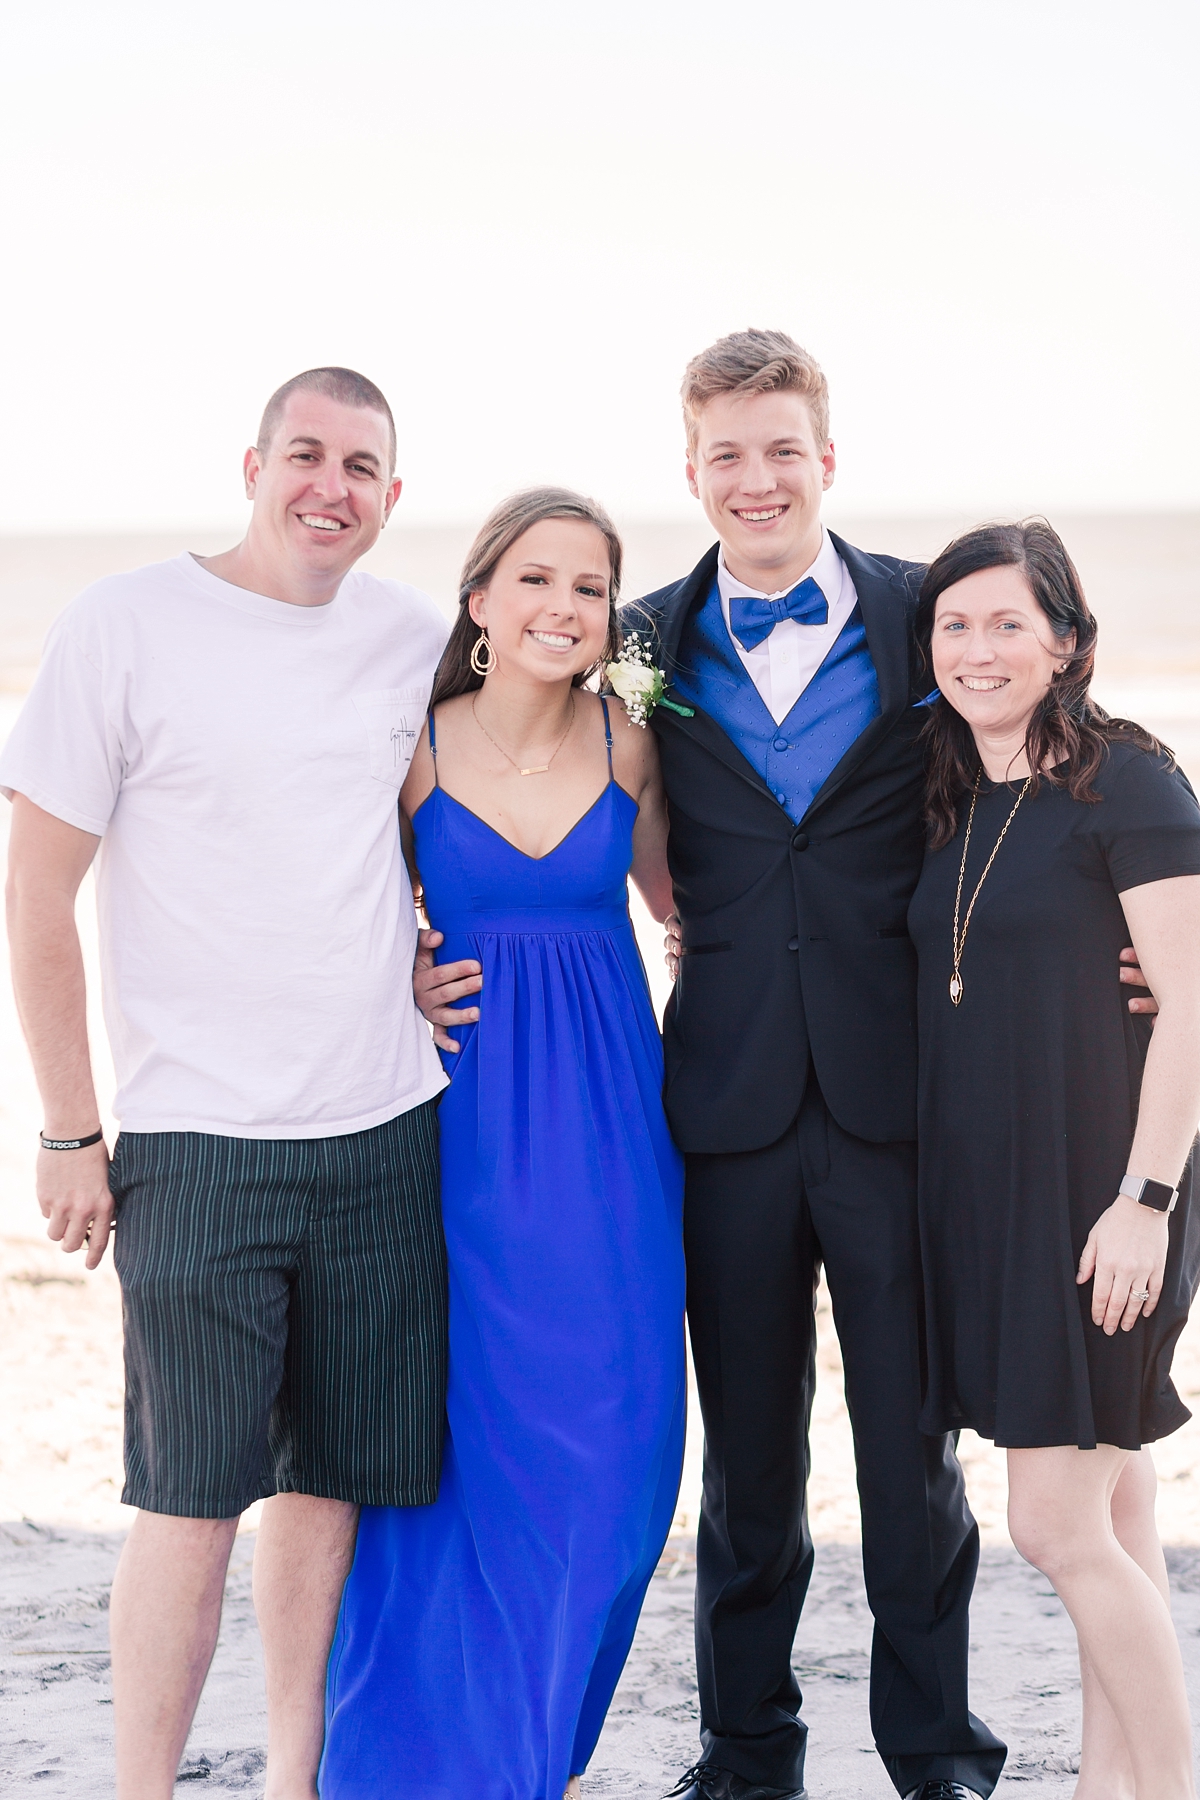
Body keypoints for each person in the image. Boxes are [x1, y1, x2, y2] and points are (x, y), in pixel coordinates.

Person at [1, 367, 450, 1800]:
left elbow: (487, 818)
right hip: (195, 1144)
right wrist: (70, 1129)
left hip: (386, 1131)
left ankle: (293, 1779)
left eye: (362, 466)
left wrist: (441, 955)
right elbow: (34, 895)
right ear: (252, 463)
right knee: (189, 1501)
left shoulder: (415, 639)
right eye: (306, 455)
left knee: (329, 1491)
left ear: (393, 495)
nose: (331, 486)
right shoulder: (126, 626)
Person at [319, 488, 687, 1800]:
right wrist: (400, 976)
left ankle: (543, 1742)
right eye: (536, 581)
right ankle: (451, 1765)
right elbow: (329, 914)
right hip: (461, 1138)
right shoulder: (408, 745)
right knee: (474, 1461)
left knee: (625, 1456)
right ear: (479, 601)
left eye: (589, 589)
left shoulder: (636, 744)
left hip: (615, 1145)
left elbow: (713, 913)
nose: (562, 609)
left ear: (607, 619)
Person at [910, 520, 1200, 1800]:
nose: (978, 650)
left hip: (1105, 1198)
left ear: (1067, 641)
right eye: (954, 624)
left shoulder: (1127, 779)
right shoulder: (954, 792)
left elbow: (1192, 1001)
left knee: (1052, 1524)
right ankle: (1111, 1786)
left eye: (1008, 623)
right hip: (1004, 1204)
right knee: (1120, 1512)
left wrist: (1146, 1201)